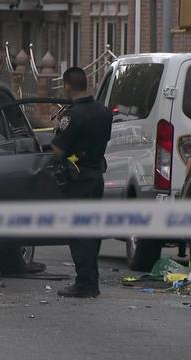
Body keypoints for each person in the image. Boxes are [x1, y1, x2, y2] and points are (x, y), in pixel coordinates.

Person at [51, 67, 112, 298]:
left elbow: (58, 149)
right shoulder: (105, 113)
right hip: (97, 175)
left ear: (67, 86)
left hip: (78, 179)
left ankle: (85, 283)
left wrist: (58, 127)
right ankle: (91, 281)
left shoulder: (72, 115)